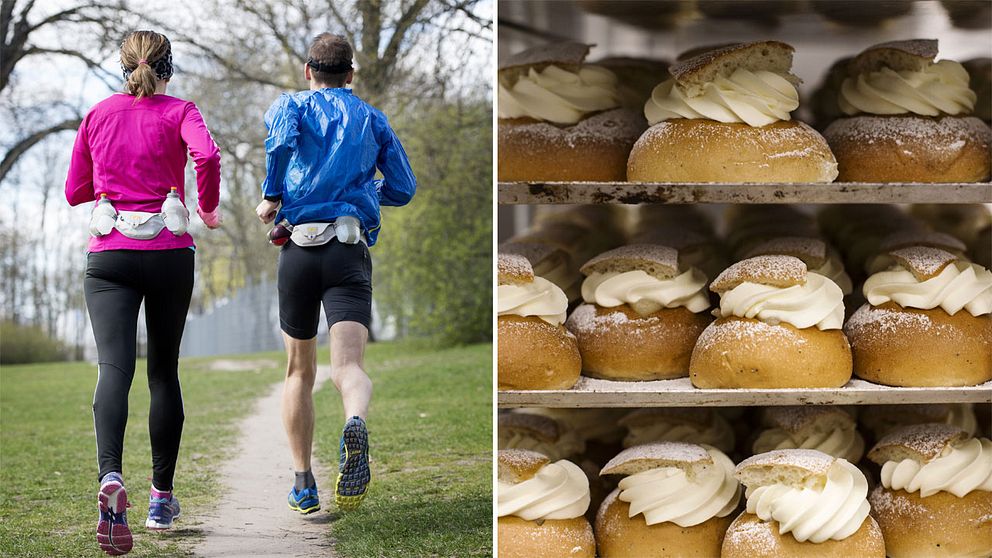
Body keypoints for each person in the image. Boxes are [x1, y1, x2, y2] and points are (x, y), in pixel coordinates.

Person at [65, 30, 221, 556]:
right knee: (162, 372)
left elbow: (73, 191)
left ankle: (111, 476)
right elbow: (208, 158)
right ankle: (160, 499)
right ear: (167, 66)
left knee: (114, 369)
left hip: (108, 252)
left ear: (123, 66)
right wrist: (208, 208)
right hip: (168, 250)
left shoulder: (97, 115)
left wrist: (110, 181)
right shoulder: (182, 111)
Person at [256, 32, 415, 515]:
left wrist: (273, 193)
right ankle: (355, 420)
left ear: (308, 71)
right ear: (350, 75)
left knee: (299, 372)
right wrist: (364, 192)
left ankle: (304, 483)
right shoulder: (372, 118)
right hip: (348, 249)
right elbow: (404, 188)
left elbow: (281, 142)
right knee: (348, 367)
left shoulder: (292, 106)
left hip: (300, 251)